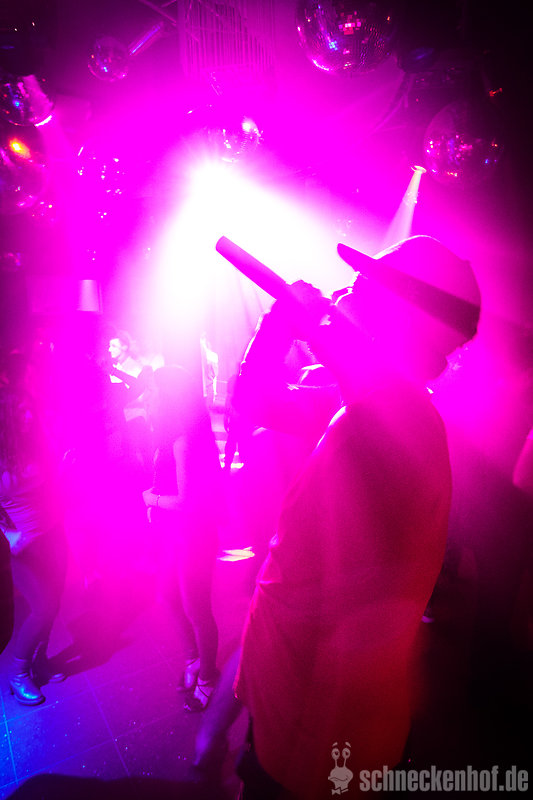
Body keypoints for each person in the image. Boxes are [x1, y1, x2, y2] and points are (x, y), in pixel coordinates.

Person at [232, 235, 481, 799]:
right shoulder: (371, 405)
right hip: (297, 699)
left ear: (400, 315)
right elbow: (254, 401)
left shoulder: (401, 419)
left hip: (314, 729)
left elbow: (372, 380)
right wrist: (277, 326)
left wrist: (313, 322)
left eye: (367, 282)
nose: (348, 289)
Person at [142, 365, 223, 711]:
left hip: (194, 536)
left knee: (196, 609)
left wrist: (152, 500)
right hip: (177, 535)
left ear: (169, 398)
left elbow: (188, 502)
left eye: (154, 392)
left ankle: (208, 676)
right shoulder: (172, 435)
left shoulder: (184, 442)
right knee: (166, 595)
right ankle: (193, 659)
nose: (148, 397)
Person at [0, 351, 68, 706]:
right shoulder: (2, 455)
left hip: (53, 533)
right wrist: (9, 533)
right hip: (26, 542)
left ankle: (40, 660)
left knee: (54, 603)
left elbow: (52, 484)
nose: (30, 415)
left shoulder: (34, 443)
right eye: (23, 412)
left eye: (31, 410)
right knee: (42, 607)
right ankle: (18, 672)